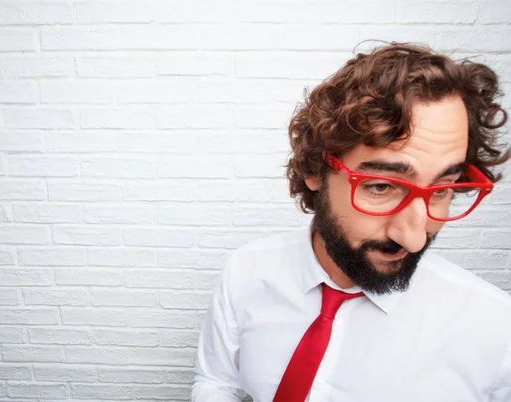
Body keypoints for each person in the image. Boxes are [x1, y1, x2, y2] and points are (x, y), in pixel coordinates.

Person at [191, 43, 511, 402]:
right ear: (316, 168)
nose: (415, 237)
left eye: (442, 188)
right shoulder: (247, 270)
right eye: (381, 186)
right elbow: (218, 383)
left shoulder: (496, 332)